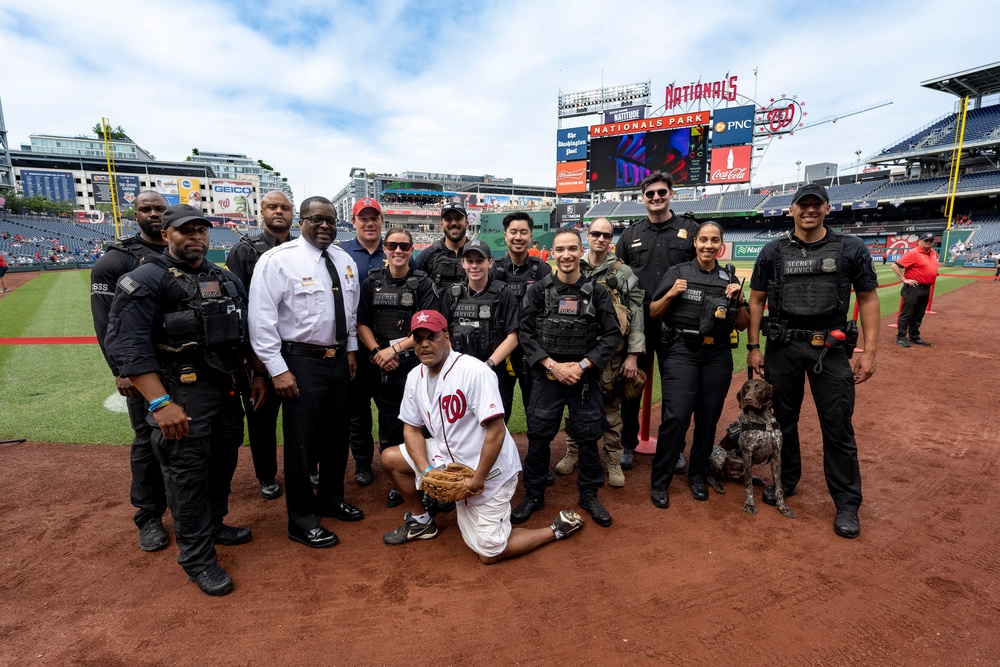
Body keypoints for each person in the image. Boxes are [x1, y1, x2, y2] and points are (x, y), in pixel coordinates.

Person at [105, 204, 264, 596]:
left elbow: (244, 334)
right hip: (178, 392)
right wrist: (159, 404)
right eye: (185, 230)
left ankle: (215, 525)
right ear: (166, 235)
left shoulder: (222, 279)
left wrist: (257, 373)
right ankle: (197, 559)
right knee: (187, 476)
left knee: (223, 462)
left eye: (201, 230)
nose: (196, 237)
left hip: (225, 388)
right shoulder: (144, 280)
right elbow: (128, 346)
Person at [380, 310, 585, 561]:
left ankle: (555, 530)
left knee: (489, 552)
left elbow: (496, 432)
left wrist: (477, 480)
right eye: (419, 338)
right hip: (447, 456)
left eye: (431, 336)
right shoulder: (415, 377)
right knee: (391, 458)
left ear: (447, 337)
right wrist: (426, 471)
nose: (424, 344)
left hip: (489, 469)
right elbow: (411, 428)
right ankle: (422, 521)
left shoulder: (474, 372)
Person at [747, 183, 879, 539]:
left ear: (826, 209)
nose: (809, 210)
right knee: (783, 422)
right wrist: (754, 346)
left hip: (831, 348)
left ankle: (847, 504)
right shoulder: (772, 251)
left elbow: (867, 299)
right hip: (783, 347)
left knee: (837, 425)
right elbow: (756, 300)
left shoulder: (851, 248)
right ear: (790, 210)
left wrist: (870, 352)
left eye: (815, 204)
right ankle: (785, 482)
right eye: (802, 205)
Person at [249, 196, 363, 549]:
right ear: (302, 221)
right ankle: (301, 520)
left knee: (337, 436)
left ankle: (330, 499)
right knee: (301, 444)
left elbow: (352, 312)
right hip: (299, 361)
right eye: (317, 219)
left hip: (339, 358)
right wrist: (278, 370)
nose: (326, 226)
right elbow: (261, 322)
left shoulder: (344, 260)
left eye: (331, 220)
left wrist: (351, 350)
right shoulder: (277, 261)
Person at [513, 227, 623, 528]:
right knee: (538, 438)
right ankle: (534, 495)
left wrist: (584, 365)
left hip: (583, 380)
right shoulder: (538, 291)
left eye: (572, 249)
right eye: (560, 249)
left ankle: (589, 496)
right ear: (553, 252)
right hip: (548, 378)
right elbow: (526, 333)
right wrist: (552, 366)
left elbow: (612, 335)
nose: (566, 255)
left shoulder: (597, 292)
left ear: (580, 251)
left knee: (588, 439)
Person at [89, 190, 172, 552]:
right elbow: (107, 322)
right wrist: (120, 369)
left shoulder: (183, 254)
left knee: (190, 439)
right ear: (134, 213)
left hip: (182, 365)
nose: (153, 214)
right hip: (141, 368)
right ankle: (149, 515)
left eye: (159, 209)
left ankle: (201, 515)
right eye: (146, 209)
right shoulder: (115, 260)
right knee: (146, 440)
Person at [647, 221, 748, 507]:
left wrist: (739, 300)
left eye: (714, 240)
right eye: (703, 239)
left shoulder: (729, 279)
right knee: (676, 417)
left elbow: (742, 325)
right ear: (695, 242)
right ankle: (660, 480)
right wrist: (670, 294)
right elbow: (654, 312)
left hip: (716, 355)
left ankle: (698, 476)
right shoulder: (678, 273)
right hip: (682, 352)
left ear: (721, 245)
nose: (708, 245)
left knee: (708, 418)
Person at [616, 172, 698, 473]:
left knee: (676, 392)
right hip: (639, 324)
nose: (656, 198)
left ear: (671, 193)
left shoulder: (690, 230)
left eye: (661, 192)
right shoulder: (630, 234)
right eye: (650, 194)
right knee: (630, 387)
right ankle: (627, 444)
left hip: (678, 322)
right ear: (643, 198)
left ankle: (674, 448)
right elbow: (619, 279)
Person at [557, 218, 644, 488]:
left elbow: (637, 313)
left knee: (610, 412)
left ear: (611, 239)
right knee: (574, 408)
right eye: (595, 233)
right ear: (588, 235)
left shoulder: (624, 272)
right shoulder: (573, 263)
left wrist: (634, 354)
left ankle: (613, 462)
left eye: (606, 235)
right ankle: (573, 453)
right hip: (577, 351)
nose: (600, 239)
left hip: (610, 355)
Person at [356, 227, 440, 507]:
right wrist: (380, 352)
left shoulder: (423, 283)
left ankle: (427, 480)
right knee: (390, 425)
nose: (398, 251)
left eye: (404, 246)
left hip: (415, 365)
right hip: (382, 365)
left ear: (412, 249)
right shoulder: (372, 283)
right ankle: (399, 481)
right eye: (393, 246)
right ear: (385, 248)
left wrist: (395, 350)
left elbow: (426, 327)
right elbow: (362, 323)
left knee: (424, 424)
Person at [225, 190, 294, 500]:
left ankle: (305, 467)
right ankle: (266, 475)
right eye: (272, 207)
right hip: (259, 355)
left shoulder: (304, 249)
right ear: (261, 211)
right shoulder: (244, 251)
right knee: (261, 417)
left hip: (297, 350)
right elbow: (237, 307)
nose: (278, 212)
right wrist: (252, 359)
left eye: (284, 207)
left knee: (302, 416)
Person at [440, 239, 520, 421]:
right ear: (463, 263)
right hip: (459, 370)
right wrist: (456, 363)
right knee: (460, 423)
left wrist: (488, 365)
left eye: (480, 261)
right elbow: (442, 333)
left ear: (490, 262)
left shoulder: (503, 293)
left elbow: (513, 336)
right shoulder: (452, 294)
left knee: (495, 424)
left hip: (494, 370)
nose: (474, 266)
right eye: (469, 261)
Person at [493, 211, 552, 417]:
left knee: (536, 413)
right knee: (498, 413)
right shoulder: (493, 269)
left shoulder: (543, 270)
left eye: (523, 232)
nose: (518, 237)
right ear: (505, 234)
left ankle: (535, 451)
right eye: (513, 232)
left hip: (533, 352)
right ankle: (499, 451)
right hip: (501, 351)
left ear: (530, 235)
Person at [891, 232, 938, 347]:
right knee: (907, 313)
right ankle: (901, 336)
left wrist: (932, 273)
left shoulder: (933, 253)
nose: (929, 242)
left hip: (926, 288)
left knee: (919, 314)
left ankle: (914, 336)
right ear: (919, 241)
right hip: (913, 287)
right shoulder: (913, 253)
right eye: (926, 240)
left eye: (931, 240)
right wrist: (904, 279)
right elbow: (895, 266)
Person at [414, 204, 469, 289]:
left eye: (458, 218)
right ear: (442, 225)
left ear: (466, 223)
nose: (453, 223)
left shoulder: (479, 254)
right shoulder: (427, 256)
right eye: (448, 219)